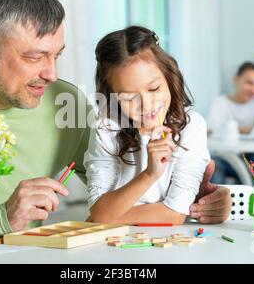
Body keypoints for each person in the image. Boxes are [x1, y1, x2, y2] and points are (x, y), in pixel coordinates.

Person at [0, 0, 231, 241]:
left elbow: (112, 198)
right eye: (34, 57)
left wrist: (193, 202)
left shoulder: (65, 103)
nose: (51, 74)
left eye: (57, 55)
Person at [84, 26, 211, 225]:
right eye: (128, 97)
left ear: (169, 77)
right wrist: (150, 174)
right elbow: (100, 213)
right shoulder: (106, 129)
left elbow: (174, 215)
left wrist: (108, 215)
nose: (147, 104)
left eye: (154, 88)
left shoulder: (191, 127)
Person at [207, 62, 254, 136]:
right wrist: (242, 130)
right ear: (236, 80)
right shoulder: (220, 102)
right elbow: (209, 131)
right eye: (249, 83)